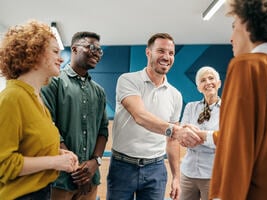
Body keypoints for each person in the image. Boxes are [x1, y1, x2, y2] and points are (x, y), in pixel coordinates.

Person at [180, 0, 267, 199]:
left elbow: (236, 148)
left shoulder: (247, 66)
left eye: (234, 27)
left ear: (247, 24)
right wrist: (205, 136)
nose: (231, 38)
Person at [106, 33, 201, 200]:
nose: (167, 57)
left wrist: (176, 177)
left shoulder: (175, 95)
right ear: (148, 52)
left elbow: (171, 141)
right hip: (122, 167)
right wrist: (176, 130)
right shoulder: (128, 80)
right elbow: (140, 116)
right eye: (161, 51)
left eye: (171, 53)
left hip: (155, 169)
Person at [0, 20, 79, 200]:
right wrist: (55, 161)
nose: (61, 58)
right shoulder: (12, 98)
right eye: (54, 51)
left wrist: (58, 154)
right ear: (33, 53)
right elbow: (4, 164)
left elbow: (30, 147)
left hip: (41, 192)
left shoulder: (36, 98)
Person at [41, 31, 109, 199]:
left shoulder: (99, 92)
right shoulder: (53, 82)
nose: (96, 52)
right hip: (60, 179)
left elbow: (103, 130)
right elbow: (48, 127)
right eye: (90, 47)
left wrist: (95, 162)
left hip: (91, 179)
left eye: (99, 50)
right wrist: (75, 168)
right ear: (74, 49)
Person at [179, 66, 221, 200]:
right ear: (198, 87)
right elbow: (183, 138)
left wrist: (196, 134)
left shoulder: (229, 109)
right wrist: (210, 136)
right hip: (188, 173)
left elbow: (225, 141)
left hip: (213, 174)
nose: (208, 82)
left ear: (218, 83)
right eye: (203, 80)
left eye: (211, 78)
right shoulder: (191, 107)